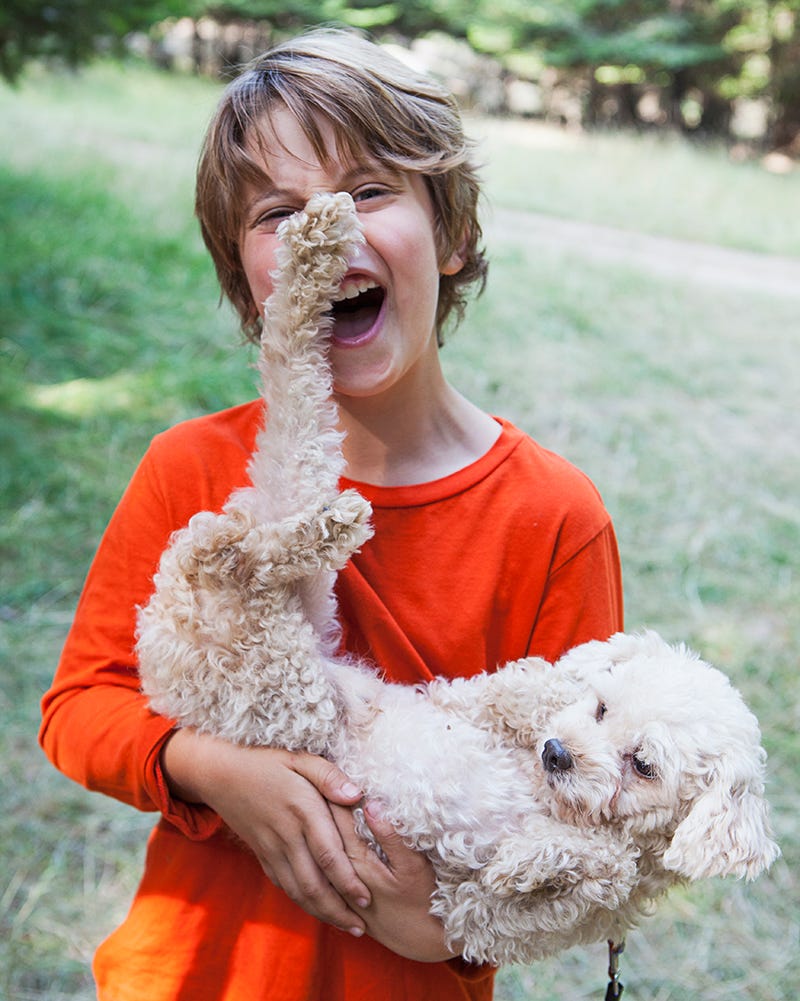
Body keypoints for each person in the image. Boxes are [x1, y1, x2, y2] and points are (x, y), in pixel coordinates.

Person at [40, 26, 624, 1001]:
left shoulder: (551, 516)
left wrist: (440, 931)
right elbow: (78, 707)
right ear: (246, 280)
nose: (326, 232)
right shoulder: (191, 467)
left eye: (365, 190)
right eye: (278, 211)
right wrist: (208, 765)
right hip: (187, 977)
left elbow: (584, 818)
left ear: (450, 230)